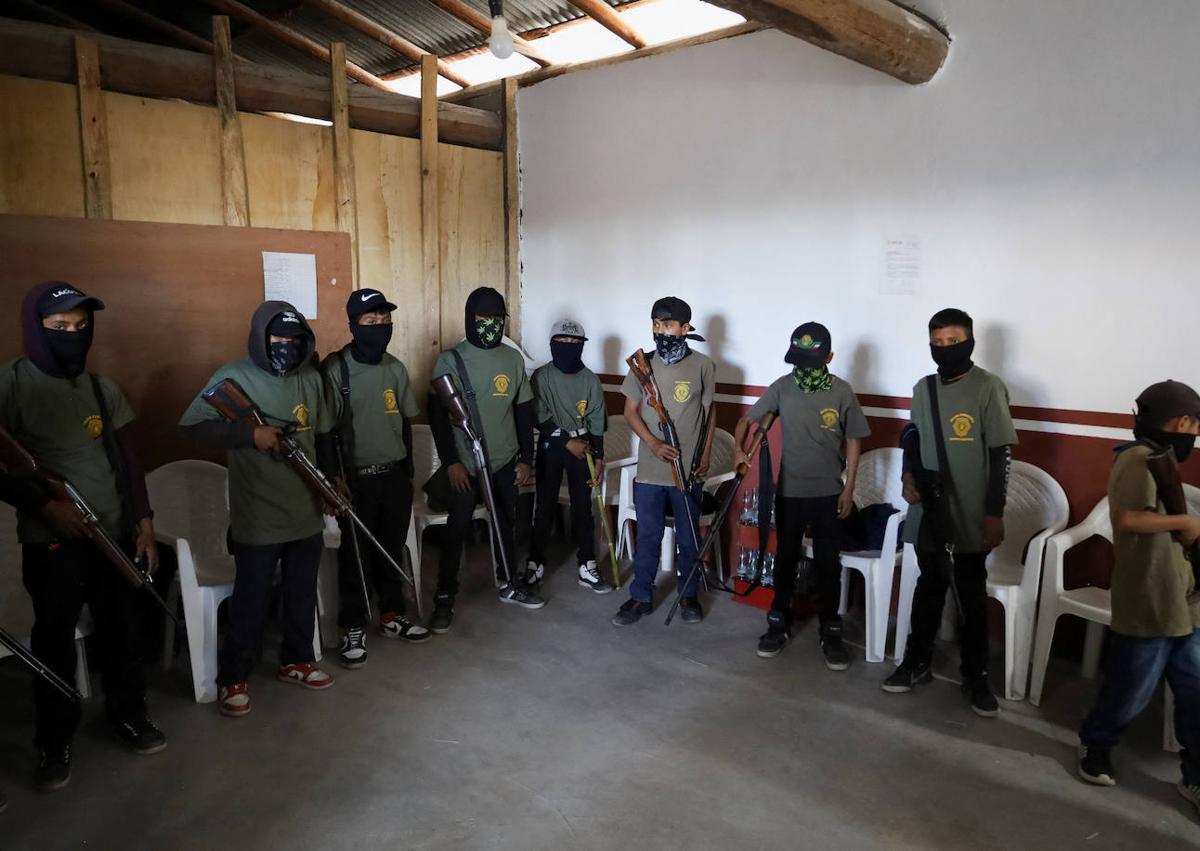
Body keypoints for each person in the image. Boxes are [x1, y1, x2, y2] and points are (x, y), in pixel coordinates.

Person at [0, 281, 165, 792]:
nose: (73, 335)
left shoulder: (102, 389)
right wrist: (46, 505)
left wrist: (144, 523)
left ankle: (128, 715)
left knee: (121, 631)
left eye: (81, 326)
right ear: (36, 328)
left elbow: (130, 462)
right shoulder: (10, 384)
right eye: (60, 327)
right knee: (54, 640)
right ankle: (55, 741)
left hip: (111, 534)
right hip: (51, 542)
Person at [180, 301, 337, 717]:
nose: (286, 346)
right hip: (258, 513)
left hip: (305, 507)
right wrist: (250, 435)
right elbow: (193, 427)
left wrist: (331, 484)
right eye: (277, 339)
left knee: (302, 591)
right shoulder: (233, 376)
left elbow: (323, 438)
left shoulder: (310, 378)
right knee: (250, 599)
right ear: (260, 339)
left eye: (294, 339)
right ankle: (233, 678)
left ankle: (297, 660)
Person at [882, 308, 1017, 717]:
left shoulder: (989, 387)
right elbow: (913, 436)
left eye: (953, 342)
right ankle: (915, 662)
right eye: (937, 343)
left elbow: (999, 453)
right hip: (929, 509)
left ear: (970, 341)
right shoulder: (923, 388)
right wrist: (907, 477)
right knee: (930, 587)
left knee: (971, 596)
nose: (944, 349)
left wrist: (994, 513)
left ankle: (976, 675)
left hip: (972, 511)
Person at [1077, 380, 1200, 815]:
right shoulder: (1136, 459)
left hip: (1181, 595)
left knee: (1194, 689)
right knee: (1132, 687)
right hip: (1149, 595)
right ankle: (1096, 746)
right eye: (1194, 428)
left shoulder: (1157, 458)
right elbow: (1127, 519)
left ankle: (1195, 775)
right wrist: (1184, 524)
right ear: (1183, 422)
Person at [734, 322, 870, 667]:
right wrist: (739, 450)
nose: (804, 369)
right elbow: (749, 421)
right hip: (790, 492)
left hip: (828, 493)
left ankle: (830, 627)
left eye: (812, 361)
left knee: (828, 564)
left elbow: (854, 440)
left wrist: (849, 487)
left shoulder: (842, 392)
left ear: (829, 357)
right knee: (785, 560)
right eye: (800, 361)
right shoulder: (782, 388)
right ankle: (778, 622)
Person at [321, 289, 430, 670]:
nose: (380, 327)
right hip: (355, 480)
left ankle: (392, 616)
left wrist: (409, 473)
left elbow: (405, 422)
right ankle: (352, 625)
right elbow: (324, 430)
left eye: (385, 321)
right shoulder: (337, 369)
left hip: (394, 476)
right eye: (371, 321)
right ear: (354, 326)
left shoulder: (396, 368)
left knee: (391, 546)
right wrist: (334, 479)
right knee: (355, 555)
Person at [427, 287, 544, 634]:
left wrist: (527, 458)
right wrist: (451, 462)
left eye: (496, 319)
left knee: (507, 522)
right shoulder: (450, 360)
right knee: (457, 528)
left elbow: (523, 412)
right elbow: (437, 417)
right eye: (482, 319)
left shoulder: (511, 360)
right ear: (469, 319)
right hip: (465, 462)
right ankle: (444, 597)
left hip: (505, 459)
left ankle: (509, 581)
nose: (489, 325)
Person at [612, 297, 715, 627]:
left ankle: (688, 595)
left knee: (688, 538)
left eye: (668, 325)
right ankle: (640, 595)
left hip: (687, 472)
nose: (661, 330)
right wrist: (654, 443)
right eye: (656, 323)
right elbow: (630, 412)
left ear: (685, 329)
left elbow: (710, 415)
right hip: (651, 472)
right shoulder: (643, 366)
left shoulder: (703, 366)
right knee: (648, 538)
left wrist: (706, 453)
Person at [526, 319, 611, 594]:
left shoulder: (590, 380)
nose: (568, 348)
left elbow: (597, 422)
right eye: (562, 342)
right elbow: (539, 416)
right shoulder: (542, 376)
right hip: (554, 443)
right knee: (545, 504)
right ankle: (535, 561)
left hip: (583, 446)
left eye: (575, 343)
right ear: (552, 345)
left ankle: (587, 564)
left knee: (583, 507)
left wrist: (598, 457)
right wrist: (565, 441)